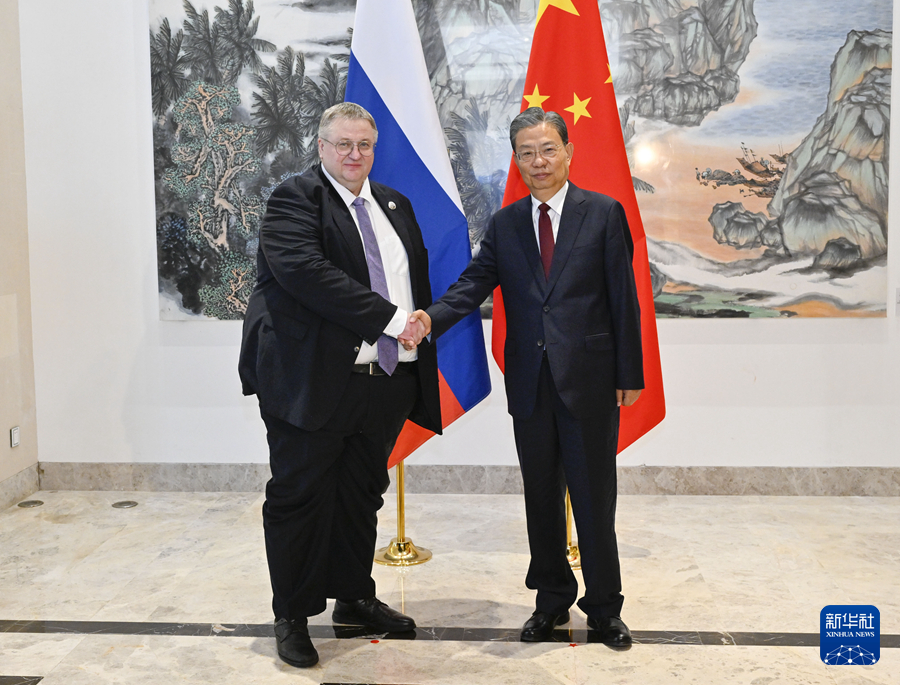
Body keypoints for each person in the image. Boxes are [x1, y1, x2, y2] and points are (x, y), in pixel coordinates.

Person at [409, 108, 643, 646]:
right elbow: (473, 284)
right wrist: (429, 318)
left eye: (548, 149)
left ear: (568, 152)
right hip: (531, 382)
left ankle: (604, 608)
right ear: (516, 159)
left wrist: (629, 372)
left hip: (589, 381)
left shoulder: (603, 213)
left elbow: (623, 300)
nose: (539, 161)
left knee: (593, 499)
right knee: (540, 498)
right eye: (527, 153)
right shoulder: (507, 223)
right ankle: (551, 601)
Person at [239, 102, 440, 668]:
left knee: (360, 495)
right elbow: (308, 274)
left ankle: (354, 598)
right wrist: (392, 320)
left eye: (364, 145)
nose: (355, 154)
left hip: (384, 380)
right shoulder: (294, 199)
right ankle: (293, 615)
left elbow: (410, 279)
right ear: (322, 146)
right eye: (343, 144)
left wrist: (417, 325)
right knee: (299, 499)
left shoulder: (394, 204)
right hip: (309, 381)